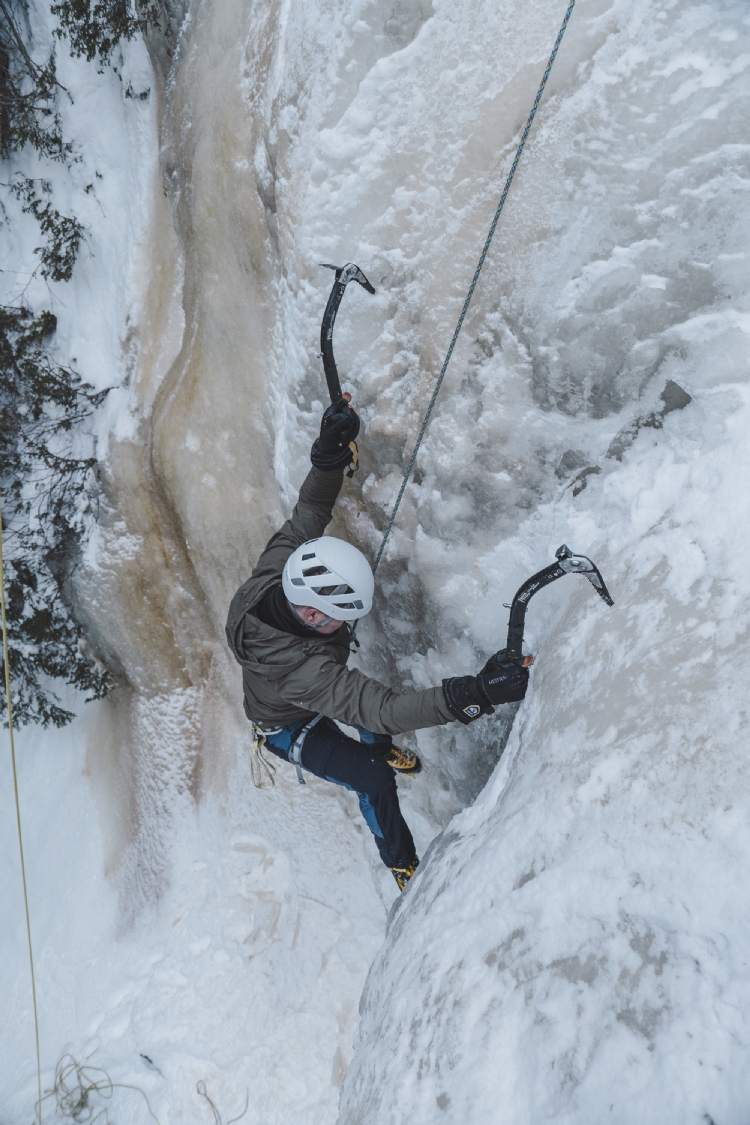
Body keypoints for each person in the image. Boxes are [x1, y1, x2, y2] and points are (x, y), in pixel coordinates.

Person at [226, 397, 530, 890]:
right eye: (337, 619)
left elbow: (310, 508)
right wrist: (476, 694)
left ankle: (382, 753)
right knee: (373, 778)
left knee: (365, 698)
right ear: (309, 613)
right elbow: (382, 711)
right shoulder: (301, 670)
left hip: (305, 691)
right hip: (286, 725)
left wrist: (328, 454)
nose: (343, 626)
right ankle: (401, 863)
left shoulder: (278, 572)